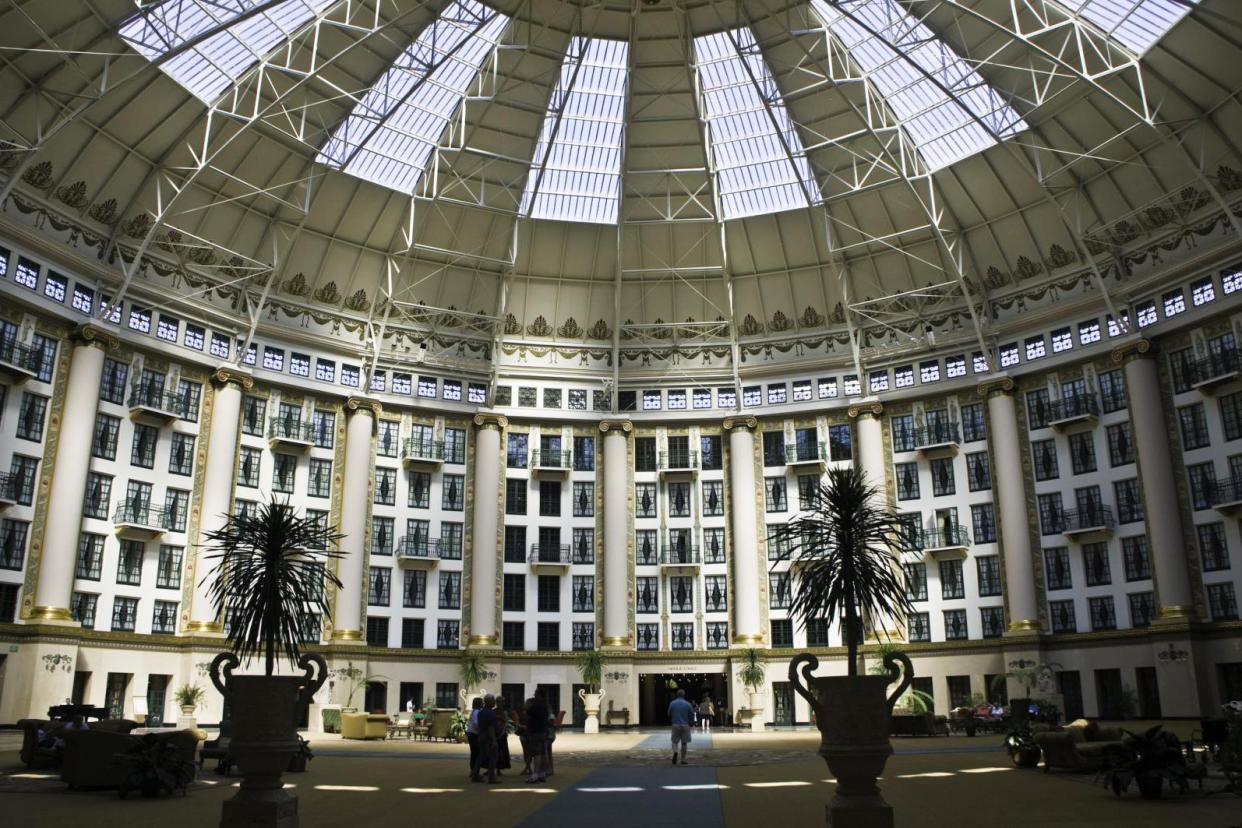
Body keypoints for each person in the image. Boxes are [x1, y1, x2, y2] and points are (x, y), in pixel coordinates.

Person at [523, 692, 549, 783]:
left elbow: (527, 714)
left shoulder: (535, 706)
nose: (534, 696)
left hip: (535, 732)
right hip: (543, 731)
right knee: (543, 753)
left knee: (536, 753)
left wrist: (527, 707)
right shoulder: (545, 706)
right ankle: (542, 773)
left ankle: (535, 775)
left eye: (535, 694)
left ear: (539, 695)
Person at [476, 694, 501, 784]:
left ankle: (475, 775)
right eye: (493, 700)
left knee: (481, 756)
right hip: (488, 738)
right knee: (492, 758)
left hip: (481, 736)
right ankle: (491, 778)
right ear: (489, 702)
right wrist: (494, 740)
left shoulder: (481, 712)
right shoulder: (490, 713)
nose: (495, 702)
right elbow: (491, 728)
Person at [668, 689, 694, 764]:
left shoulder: (672, 703)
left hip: (675, 724)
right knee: (684, 743)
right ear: (684, 695)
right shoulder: (688, 704)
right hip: (685, 725)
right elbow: (691, 715)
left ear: (677, 695)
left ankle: (675, 752)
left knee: (674, 741)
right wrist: (691, 723)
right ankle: (683, 759)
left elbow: (669, 713)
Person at [466, 696, 483, 781]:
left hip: (470, 733)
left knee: (474, 753)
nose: (483, 703)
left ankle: (473, 771)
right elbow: (477, 723)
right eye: (481, 702)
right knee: (477, 753)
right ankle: (475, 772)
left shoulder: (474, 711)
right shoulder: (477, 712)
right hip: (474, 734)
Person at [495, 697, 512, 775]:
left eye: (501, 702)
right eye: (498, 702)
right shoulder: (493, 711)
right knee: (493, 752)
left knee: (501, 752)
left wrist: (502, 733)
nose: (499, 703)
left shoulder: (504, 712)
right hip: (494, 734)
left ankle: (499, 769)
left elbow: (506, 723)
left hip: (502, 735)